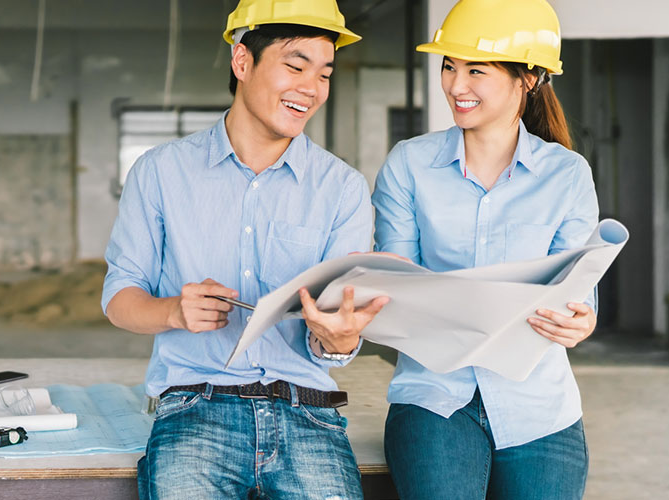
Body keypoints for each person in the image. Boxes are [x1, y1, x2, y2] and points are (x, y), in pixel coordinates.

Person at [101, 1, 392, 498]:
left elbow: (337, 339)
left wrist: (339, 338)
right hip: (195, 408)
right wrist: (173, 310)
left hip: (308, 413)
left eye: (324, 74)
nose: (311, 88)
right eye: (295, 66)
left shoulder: (341, 188)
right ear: (242, 62)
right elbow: (119, 299)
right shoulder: (160, 172)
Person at [371, 1, 599, 498]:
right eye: (449, 67)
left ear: (530, 77)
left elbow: (579, 290)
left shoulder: (567, 175)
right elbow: (397, 286)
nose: (455, 85)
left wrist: (581, 319)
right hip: (435, 398)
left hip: (540, 407)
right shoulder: (409, 165)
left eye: (475, 69)